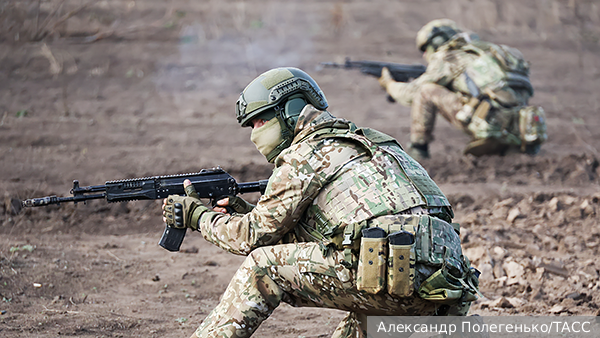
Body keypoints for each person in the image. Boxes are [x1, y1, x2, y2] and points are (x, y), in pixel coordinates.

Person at [161, 67, 480, 338]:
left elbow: (253, 237)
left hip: (389, 277)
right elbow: (337, 232)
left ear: (289, 112)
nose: (253, 135)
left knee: (263, 267)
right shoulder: (374, 143)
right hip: (440, 288)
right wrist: (243, 211)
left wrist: (198, 217)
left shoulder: (307, 153)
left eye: (259, 122)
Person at [378, 19, 547, 160]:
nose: (424, 55)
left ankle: (418, 152)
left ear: (436, 42)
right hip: (524, 128)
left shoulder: (449, 56)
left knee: (426, 91)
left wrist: (389, 84)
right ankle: (505, 144)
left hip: (489, 122)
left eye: (425, 49)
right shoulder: (488, 52)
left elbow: (410, 94)